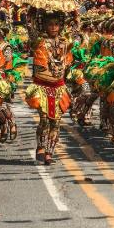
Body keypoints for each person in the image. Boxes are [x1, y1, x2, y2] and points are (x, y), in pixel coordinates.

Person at [25, 13, 73, 166]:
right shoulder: (40, 43)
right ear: (45, 26)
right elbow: (40, 68)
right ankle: (40, 146)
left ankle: (49, 153)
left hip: (58, 88)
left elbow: (67, 64)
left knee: (56, 122)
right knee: (45, 120)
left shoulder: (65, 44)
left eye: (56, 25)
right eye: (50, 24)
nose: (53, 27)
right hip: (42, 87)